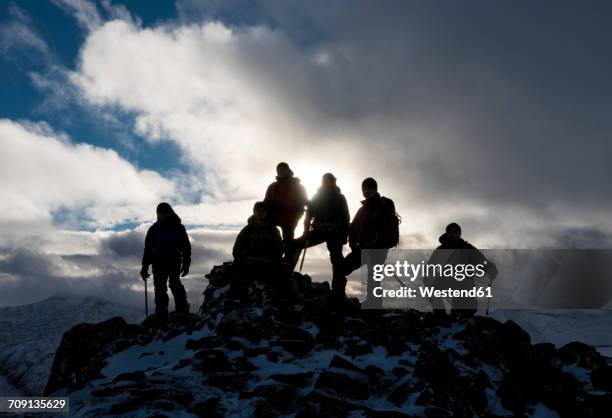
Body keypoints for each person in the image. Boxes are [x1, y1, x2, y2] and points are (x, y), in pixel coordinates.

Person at [335, 177, 400, 308]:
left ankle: (374, 304)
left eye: (369, 188)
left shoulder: (383, 206)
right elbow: (353, 227)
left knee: (373, 278)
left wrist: (380, 246)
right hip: (361, 249)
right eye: (364, 189)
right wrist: (353, 245)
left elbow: (388, 231)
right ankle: (338, 298)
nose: (366, 191)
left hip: (378, 249)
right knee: (340, 270)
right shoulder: (362, 209)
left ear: (375, 189)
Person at [425, 222, 498, 318]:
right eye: (450, 232)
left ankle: (461, 314)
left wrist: (490, 268)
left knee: (465, 311)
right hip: (447, 280)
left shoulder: (467, 248)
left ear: (459, 234)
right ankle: (440, 315)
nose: (453, 234)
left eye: (455, 231)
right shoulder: (441, 250)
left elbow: (481, 261)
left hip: (465, 283)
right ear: (447, 234)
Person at [141, 203, 191, 321]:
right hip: (166, 261)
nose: (162, 214)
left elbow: (185, 246)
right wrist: (144, 266)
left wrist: (145, 266)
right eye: (160, 212)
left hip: (167, 261)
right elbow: (148, 249)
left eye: (164, 212)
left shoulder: (159, 228)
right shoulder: (174, 227)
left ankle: (167, 313)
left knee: (167, 286)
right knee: (167, 286)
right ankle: (170, 312)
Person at [292, 172, 350, 272]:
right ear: (322, 182)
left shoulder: (340, 197)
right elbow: (309, 215)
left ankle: (337, 287)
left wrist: (343, 235)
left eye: (331, 180)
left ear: (334, 182)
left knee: (337, 260)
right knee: (295, 245)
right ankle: (286, 273)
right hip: (318, 231)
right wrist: (306, 231)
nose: (328, 182)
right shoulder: (316, 197)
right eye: (326, 180)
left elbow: (346, 218)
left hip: (334, 232)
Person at [231, 202, 287, 303]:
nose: (260, 213)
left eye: (263, 211)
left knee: (281, 274)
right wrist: (242, 255)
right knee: (236, 268)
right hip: (249, 262)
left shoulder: (274, 230)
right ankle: (236, 297)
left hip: (268, 263)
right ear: (254, 212)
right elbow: (236, 250)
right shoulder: (246, 230)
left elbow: (279, 249)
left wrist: (273, 257)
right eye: (258, 211)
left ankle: (278, 300)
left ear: (266, 213)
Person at [263, 162, 308, 257]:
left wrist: (296, 215)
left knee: (288, 241)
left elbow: (304, 202)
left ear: (288, 171)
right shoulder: (272, 186)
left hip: (290, 219)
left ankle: (287, 261)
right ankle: (269, 258)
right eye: (279, 170)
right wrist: (263, 210)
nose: (281, 172)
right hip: (274, 217)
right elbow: (266, 202)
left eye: (283, 170)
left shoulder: (298, 186)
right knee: (268, 238)